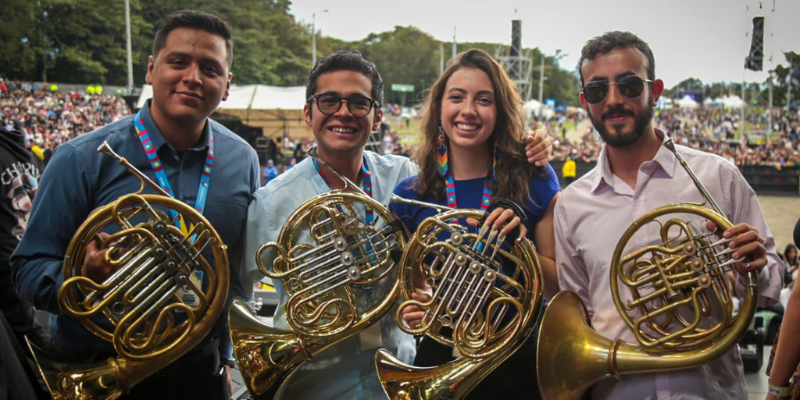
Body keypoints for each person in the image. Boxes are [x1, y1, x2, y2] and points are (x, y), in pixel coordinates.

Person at [244, 50, 554, 400]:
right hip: (317, 382)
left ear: (377, 117)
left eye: (358, 103)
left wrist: (533, 145)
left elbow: (417, 278)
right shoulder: (270, 203)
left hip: (399, 368)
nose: (343, 112)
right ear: (308, 113)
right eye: (329, 101)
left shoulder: (404, 179)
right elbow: (251, 291)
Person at [11, 10, 259, 399]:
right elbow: (27, 267)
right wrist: (81, 279)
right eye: (178, 61)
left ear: (226, 85)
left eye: (210, 69)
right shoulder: (81, 157)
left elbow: (231, 277)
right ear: (151, 69)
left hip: (199, 373)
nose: (193, 77)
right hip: (99, 369)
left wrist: (224, 358)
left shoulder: (242, 159)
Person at [554, 31, 782, 400]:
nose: (613, 99)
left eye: (629, 85)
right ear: (584, 102)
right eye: (597, 90)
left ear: (655, 90)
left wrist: (749, 269)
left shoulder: (717, 176)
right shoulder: (570, 205)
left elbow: (771, 288)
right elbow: (578, 318)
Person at [390, 48, 560, 399]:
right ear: (439, 107)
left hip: (519, 362)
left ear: (500, 111)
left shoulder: (536, 180)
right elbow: (414, 289)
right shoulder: (409, 194)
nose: (468, 110)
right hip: (442, 356)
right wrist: (417, 308)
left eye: (484, 100)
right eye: (456, 97)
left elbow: (559, 286)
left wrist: (517, 246)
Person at [0, 126, 50, 400]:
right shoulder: (27, 152)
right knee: (34, 333)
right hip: (33, 256)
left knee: (25, 344)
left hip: (6, 262)